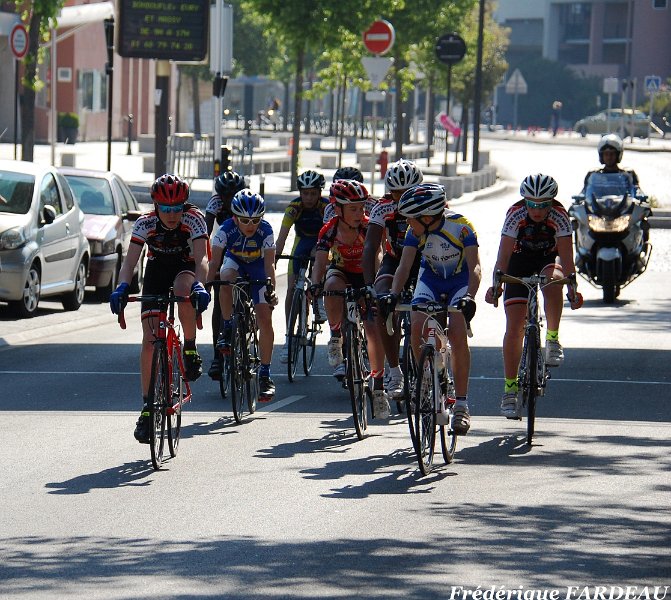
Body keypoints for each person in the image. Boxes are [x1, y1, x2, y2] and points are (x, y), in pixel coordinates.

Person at [109, 174, 211, 444]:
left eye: (177, 208)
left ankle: (190, 348)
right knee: (150, 339)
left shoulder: (194, 219)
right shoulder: (145, 223)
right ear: (156, 206)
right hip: (156, 269)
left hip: (185, 266)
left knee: (182, 290)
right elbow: (129, 263)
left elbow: (202, 258)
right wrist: (121, 287)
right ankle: (147, 408)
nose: (172, 214)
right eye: (166, 208)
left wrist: (200, 285)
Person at [385, 183, 481, 435]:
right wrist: (393, 295)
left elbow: (475, 267)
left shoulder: (462, 226)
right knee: (417, 323)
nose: (407, 223)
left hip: (459, 282)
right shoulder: (414, 231)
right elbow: (404, 267)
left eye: (411, 218)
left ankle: (461, 405)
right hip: (430, 279)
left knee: (457, 333)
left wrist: (470, 297)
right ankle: (426, 378)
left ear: (427, 218)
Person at [484, 174, 583, 420]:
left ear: (552, 203)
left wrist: (572, 288)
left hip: (547, 260)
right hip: (519, 261)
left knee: (553, 280)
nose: (537, 210)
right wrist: (496, 285)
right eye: (532, 204)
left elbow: (567, 257)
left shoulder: (560, 215)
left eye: (543, 205)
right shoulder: (515, 214)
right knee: (514, 327)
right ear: (524, 202)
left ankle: (552, 339)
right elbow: (503, 256)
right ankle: (510, 390)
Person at [310, 179, 390, 419]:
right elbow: (320, 261)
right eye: (353, 209)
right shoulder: (330, 230)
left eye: (362, 207)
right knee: (331, 286)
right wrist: (315, 284)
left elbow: (378, 255)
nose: (359, 213)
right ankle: (336, 336)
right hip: (342, 272)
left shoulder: (369, 227)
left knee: (373, 330)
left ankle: (379, 389)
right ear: (337, 209)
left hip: (366, 275)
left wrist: (374, 286)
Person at [362, 158, 424, 400]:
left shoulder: (430, 202)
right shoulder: (383, 207)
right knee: (381, 302)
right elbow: (370, 247)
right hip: (395, 259)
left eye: (408, 192)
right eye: (397, 193)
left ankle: (438, 367)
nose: (402, 198)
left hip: (424, 260)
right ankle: (395, 370)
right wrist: (369, 285)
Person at [208, 189, 278, 399]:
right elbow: (214, 262)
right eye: (245, 221)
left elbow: (269, 265)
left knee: (265, 319)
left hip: (258, 267)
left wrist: (271, 291)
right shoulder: (225, 229)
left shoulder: (266, 230)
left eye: (255, 220)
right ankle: (228, 326)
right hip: (235, 262)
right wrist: (205, 288)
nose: (250, 225)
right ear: (235, 218)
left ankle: (265, 374)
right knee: (225, 277)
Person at [274, 170, 329, 363]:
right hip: (301, 242)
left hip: (321, 242)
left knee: (319, 257)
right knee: (291, 288)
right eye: (305, 193)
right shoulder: (294, 207)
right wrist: (274, 260)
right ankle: (289, 337)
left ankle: (319, 297)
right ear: (300, 193)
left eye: (313, 193)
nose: (309, 198)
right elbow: (281, 238)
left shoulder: (326, 207)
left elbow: (331, 236)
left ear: (320, 193)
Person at [204, 170, 247, 380]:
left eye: (232, 195)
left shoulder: (247, 201)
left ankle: (245, 341)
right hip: (223, 247)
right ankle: (217, 357)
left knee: (246, 296)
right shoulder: (215, 203)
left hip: (246, 248)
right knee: (220, 305)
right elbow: (205, 232)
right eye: (225, 196)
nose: (229, 200)